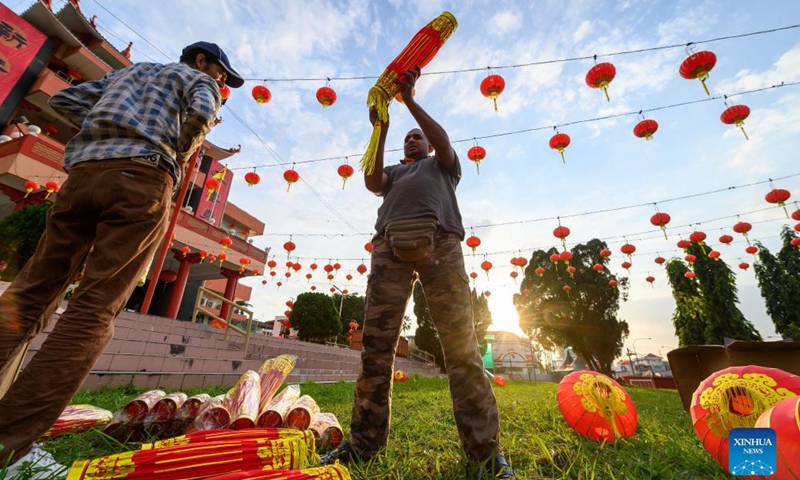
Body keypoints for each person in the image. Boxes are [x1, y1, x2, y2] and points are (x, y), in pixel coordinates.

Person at [0, 41, 243, 475]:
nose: (223, 81)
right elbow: (204, 113)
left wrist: (103, 130)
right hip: (143, 177)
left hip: (82, 176)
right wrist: (180, 149)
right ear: (203, 61)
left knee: (31, 291)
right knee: (94, 307)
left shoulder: (126, 74)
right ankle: (10, 444)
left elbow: (63, 99)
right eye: (223, 72)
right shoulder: (198, 79)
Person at [321, 67, 514, 478]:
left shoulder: (443, 166)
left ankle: (485, 452)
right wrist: (382, 128)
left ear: (427, 145)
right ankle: (362, 445)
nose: (412, 139)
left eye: (416, 136)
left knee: (461, 349)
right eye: (407, 137)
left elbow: (444, 143)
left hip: (441, 245)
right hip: (389, 249)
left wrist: (409, 99)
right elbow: (371, 179)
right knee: (375, 348)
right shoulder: (393, 174)